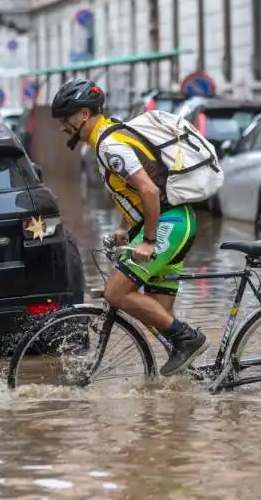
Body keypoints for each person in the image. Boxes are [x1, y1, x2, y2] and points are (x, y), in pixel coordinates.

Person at [51, 78, 208, 376]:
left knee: (116, 293)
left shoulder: (110, 145)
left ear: (83, 115)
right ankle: (194, 383)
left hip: (171, 224)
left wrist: (148, 241)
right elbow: (133, 192)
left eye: (65, 119)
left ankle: (190, 339)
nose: (63, 127)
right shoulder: (105, 141)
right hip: (169, 221)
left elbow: (149, 191)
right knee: (157, 316)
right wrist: (125, 227)